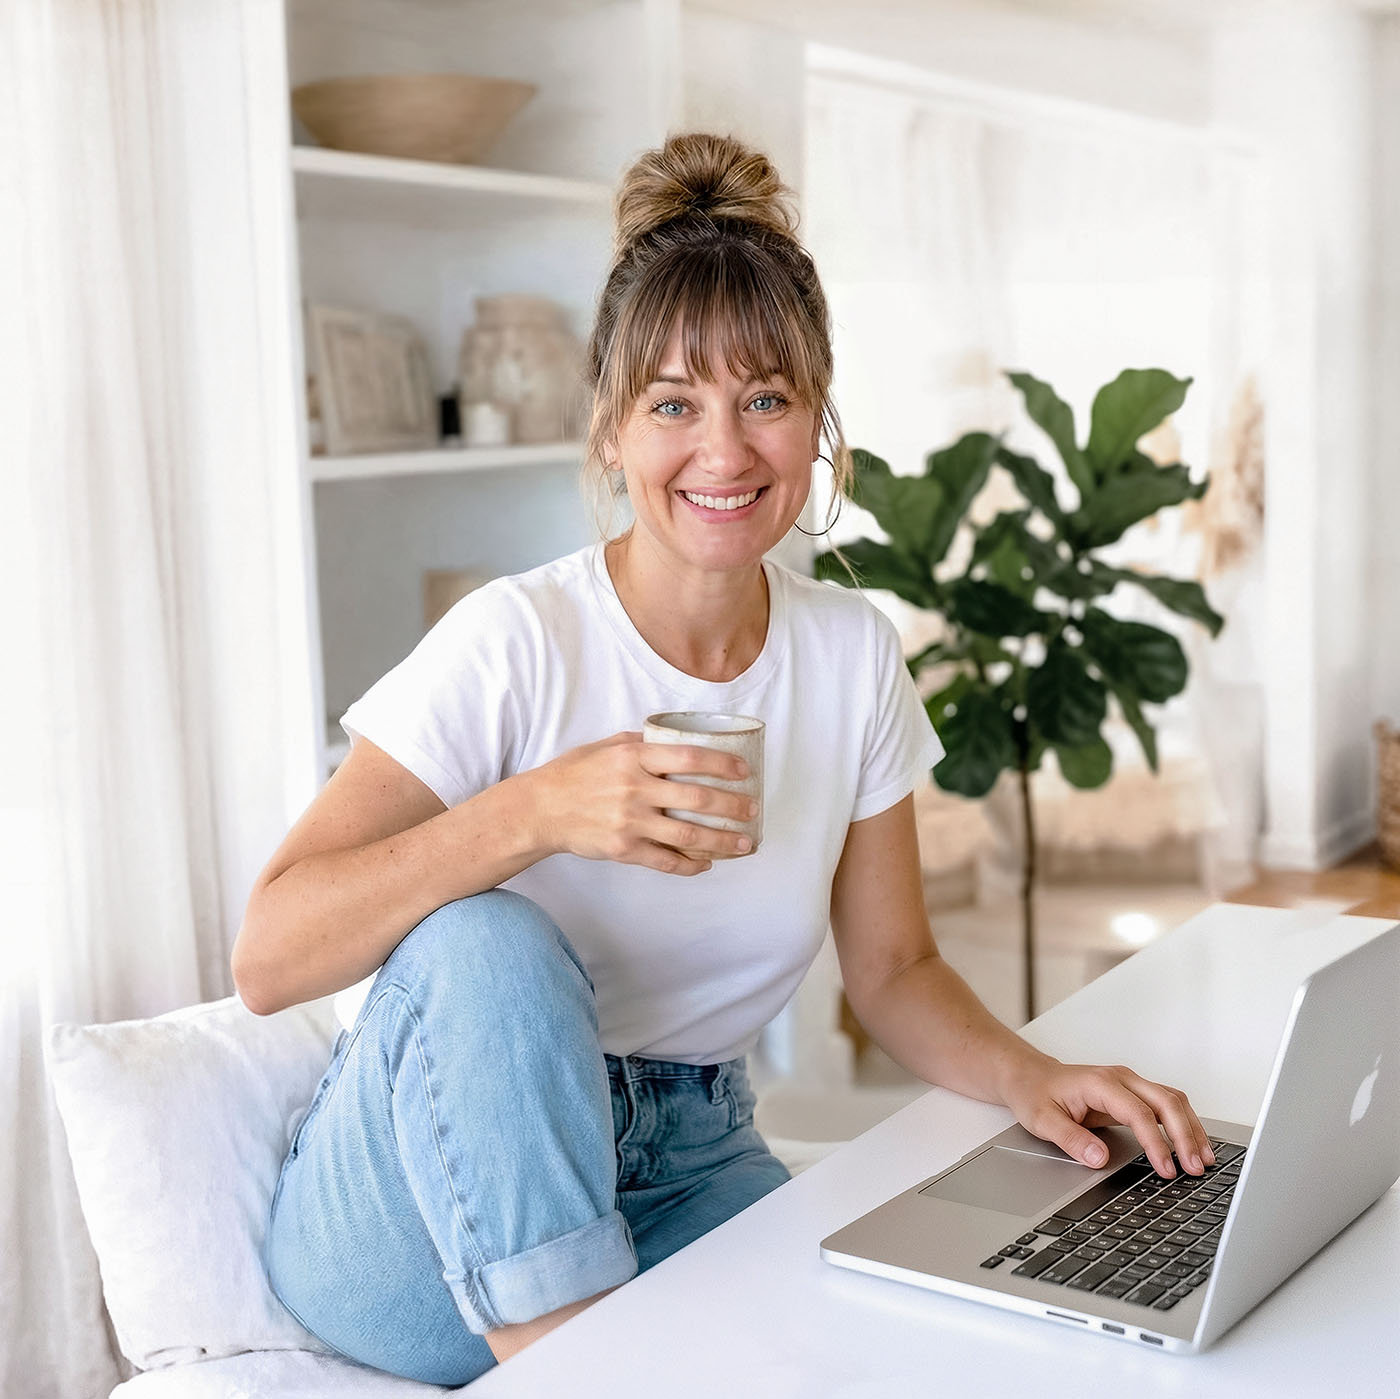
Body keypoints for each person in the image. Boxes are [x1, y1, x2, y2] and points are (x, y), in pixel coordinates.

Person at [233, 131, 1214, 1387]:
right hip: (416, 1214)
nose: (724, 450)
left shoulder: (849, 655)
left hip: (687, 1160)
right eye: (672, 403)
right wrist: (536, 811)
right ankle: (578, 1366)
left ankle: (599, 1338)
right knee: (486, 939)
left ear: (817, 422)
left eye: (764, 397)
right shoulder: (514, 641)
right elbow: (268, 956)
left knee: (886, 1348)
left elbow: (896, 965)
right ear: (608, 431)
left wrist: (1037, 1076)